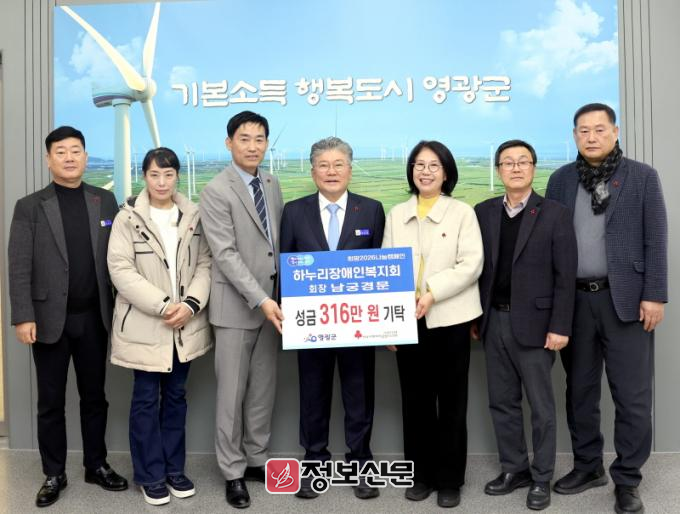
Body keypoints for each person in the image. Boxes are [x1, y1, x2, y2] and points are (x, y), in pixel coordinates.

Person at [545, 103, 667, 514]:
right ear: (574, 136)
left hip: (627, 300)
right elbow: (550, 243)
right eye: (584, 130)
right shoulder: (561, 180)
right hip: (575, 302)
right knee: (579, 390)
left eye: (600, 129)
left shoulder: (642, 176)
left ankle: (628, 479)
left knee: (632, 396)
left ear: (615, 132)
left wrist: (655, 294)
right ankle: (587, 466)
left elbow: (656, 237)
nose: (592, 136)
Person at [8, 126, 128, 507]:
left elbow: (120, 256)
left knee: (95, 397)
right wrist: (23, 316)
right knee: (50, 401)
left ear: (86, 157)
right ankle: (54, 473)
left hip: (94, 318)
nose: (69, 157)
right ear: (48, 159)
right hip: (47, 320)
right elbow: (18, 266)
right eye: (61, 152)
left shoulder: (104, 201)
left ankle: (96, 465)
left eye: (76, 150)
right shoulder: (30, 206)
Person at [473, 140, 577, 511]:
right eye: (508, 162)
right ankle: (513, 469)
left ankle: (541, 476)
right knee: (502, 403)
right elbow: (476, 270)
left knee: (541, 407)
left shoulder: (555, 214)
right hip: (493, 322)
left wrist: (560, 326)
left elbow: (565, 276)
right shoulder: (483, 212)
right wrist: (476, 318)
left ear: (534, 167)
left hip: (537, 325)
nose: (515, 168)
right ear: (498, 170)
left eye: (523, 162)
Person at [280, 136, 385, 501]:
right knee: (313, 397)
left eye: (338, 164)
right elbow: (285, 267)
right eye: (323, 165)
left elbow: (382, 268)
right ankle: (314, 464)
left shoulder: (371, 210)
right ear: (313, 172)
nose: (331, 171)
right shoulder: (294, 212)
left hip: (358, 327)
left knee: (360, 397)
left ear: (350, 170)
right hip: (311, 327)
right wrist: (286, 317)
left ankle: (361, 465)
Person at [107, 147, 212, 505]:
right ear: (144, 177)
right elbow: (121, 269)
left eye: (168, 175)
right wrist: (164, 305)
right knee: (146, 400)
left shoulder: (193, 215)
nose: (162, 182)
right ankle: (150, 475)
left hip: (185, 325)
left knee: (176, 399)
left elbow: (206, 264)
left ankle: (174, 470)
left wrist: (191, 304)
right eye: (154, 175)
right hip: (146, 324)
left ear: (177, 176)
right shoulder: (127, 218)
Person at [382, 140, 483, 508]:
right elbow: (386, 267)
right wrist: (390, 322)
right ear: (411, 170)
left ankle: (450, 479)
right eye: (419, 164)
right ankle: (420, 475)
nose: (425, 171)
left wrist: (431, 293)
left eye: (433, 165)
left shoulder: (462, 212)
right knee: (415, 402)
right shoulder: (396, 214)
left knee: (452, 402)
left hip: (450, 320)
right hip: (408, 321)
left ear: (446, 173)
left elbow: (471, 264)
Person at [199, 111, 284, 509]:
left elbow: (275, 245)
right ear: (229, 143)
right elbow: (226, 255)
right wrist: (262, 300)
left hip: (273, 308)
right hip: (237, 308)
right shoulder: (216, 190)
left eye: (259, 138)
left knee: (263, 390)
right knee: (231, 396)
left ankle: (256, 458)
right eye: (244, 138)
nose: (253, 146)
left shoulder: (271, 182)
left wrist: (278, 298)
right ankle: (232, 471)